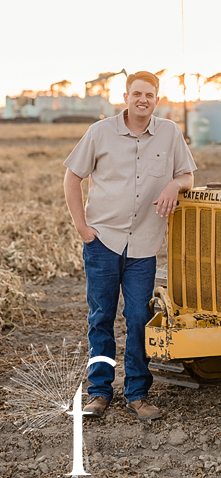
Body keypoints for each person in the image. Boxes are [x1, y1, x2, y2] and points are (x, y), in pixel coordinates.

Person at [64, 71, 196, 421]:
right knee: (101, 319)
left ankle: (137, 393)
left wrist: (173, 186)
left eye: (149, 95)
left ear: (156, 98)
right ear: (126, 96)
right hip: (103, 242)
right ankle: (99, 392)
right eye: (136, 93)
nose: (143, 99)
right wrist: (82, 227)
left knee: (139, 318)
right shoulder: (100, 132)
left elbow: (187, 175)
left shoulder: (169, 133)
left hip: (144, 246)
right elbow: (72, 176)